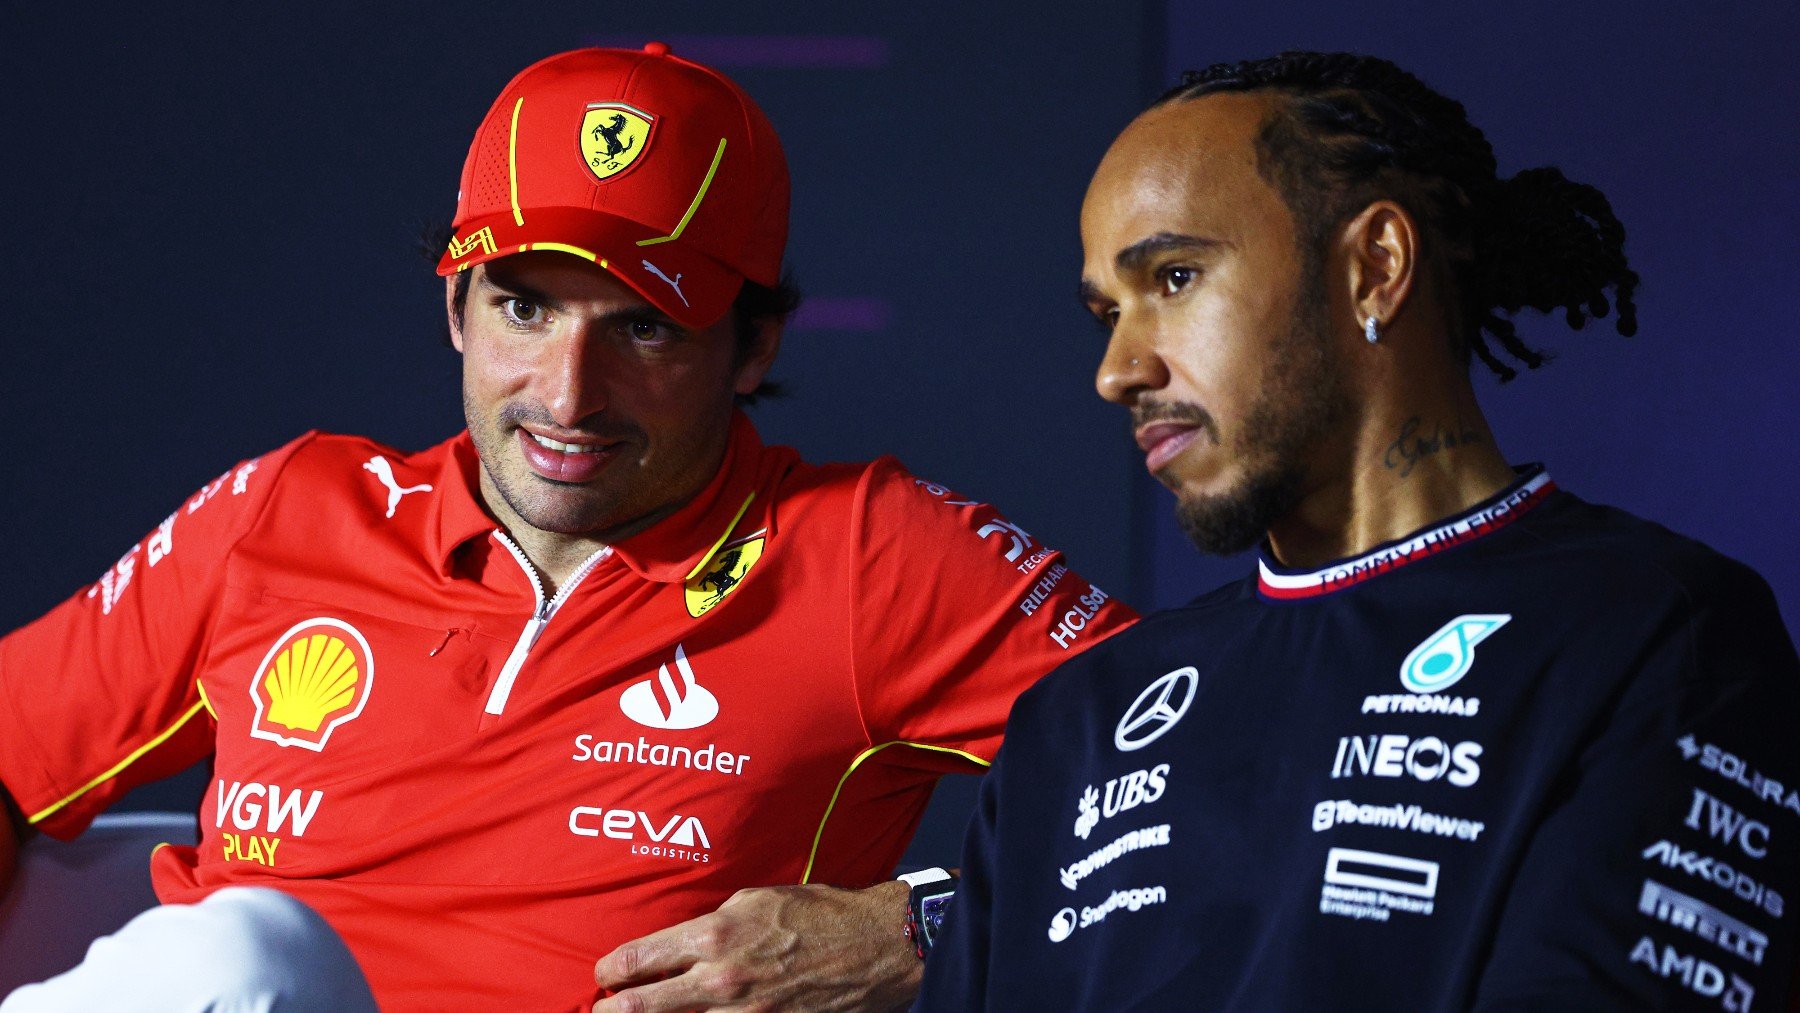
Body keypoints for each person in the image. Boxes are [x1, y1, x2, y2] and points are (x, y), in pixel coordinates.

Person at [0, 44, 1133, 1011]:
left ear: (755, 348)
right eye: (525, 307)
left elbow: (1231, 771)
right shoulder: (287, 511)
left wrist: (921, 929)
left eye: (644, 329)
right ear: (456, 308)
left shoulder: (867, 552)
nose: (567, 395)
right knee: (240, 952)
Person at [919, 51, 1800, 1011]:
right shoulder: (1075, 722)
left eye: (1174, 277)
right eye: (1106, 314)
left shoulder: (1657, 632)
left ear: (1374, 269)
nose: (1119, 369)